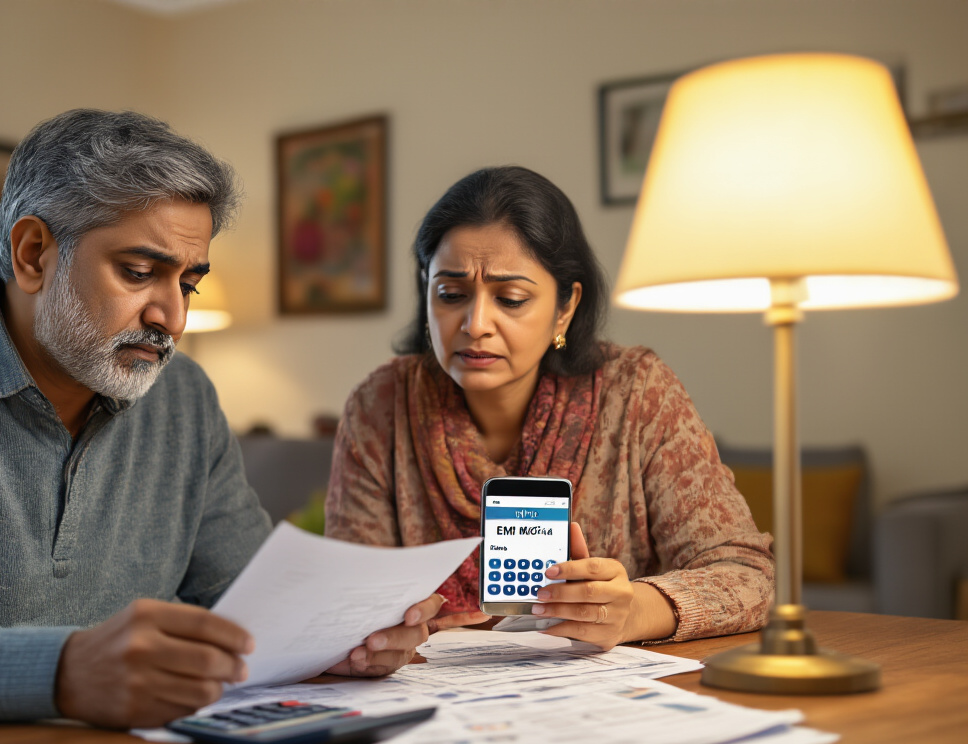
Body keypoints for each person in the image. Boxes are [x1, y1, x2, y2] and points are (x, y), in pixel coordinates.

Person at [0, 110, 444, 729]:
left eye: (188, 281)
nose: (172, 316)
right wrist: (61, 669)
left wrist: (339, 640)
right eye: (139, 272)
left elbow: (252, 611)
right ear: (33, 253)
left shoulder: (185, 399)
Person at [325, 166, 773, 649]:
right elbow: (344, 602)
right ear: (425, 286)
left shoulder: (636, 393)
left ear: (565, 307)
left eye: (511, 299)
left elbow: (747, 577)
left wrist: (633, 611)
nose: (475, 324)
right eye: (451, 294)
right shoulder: (380, 407)